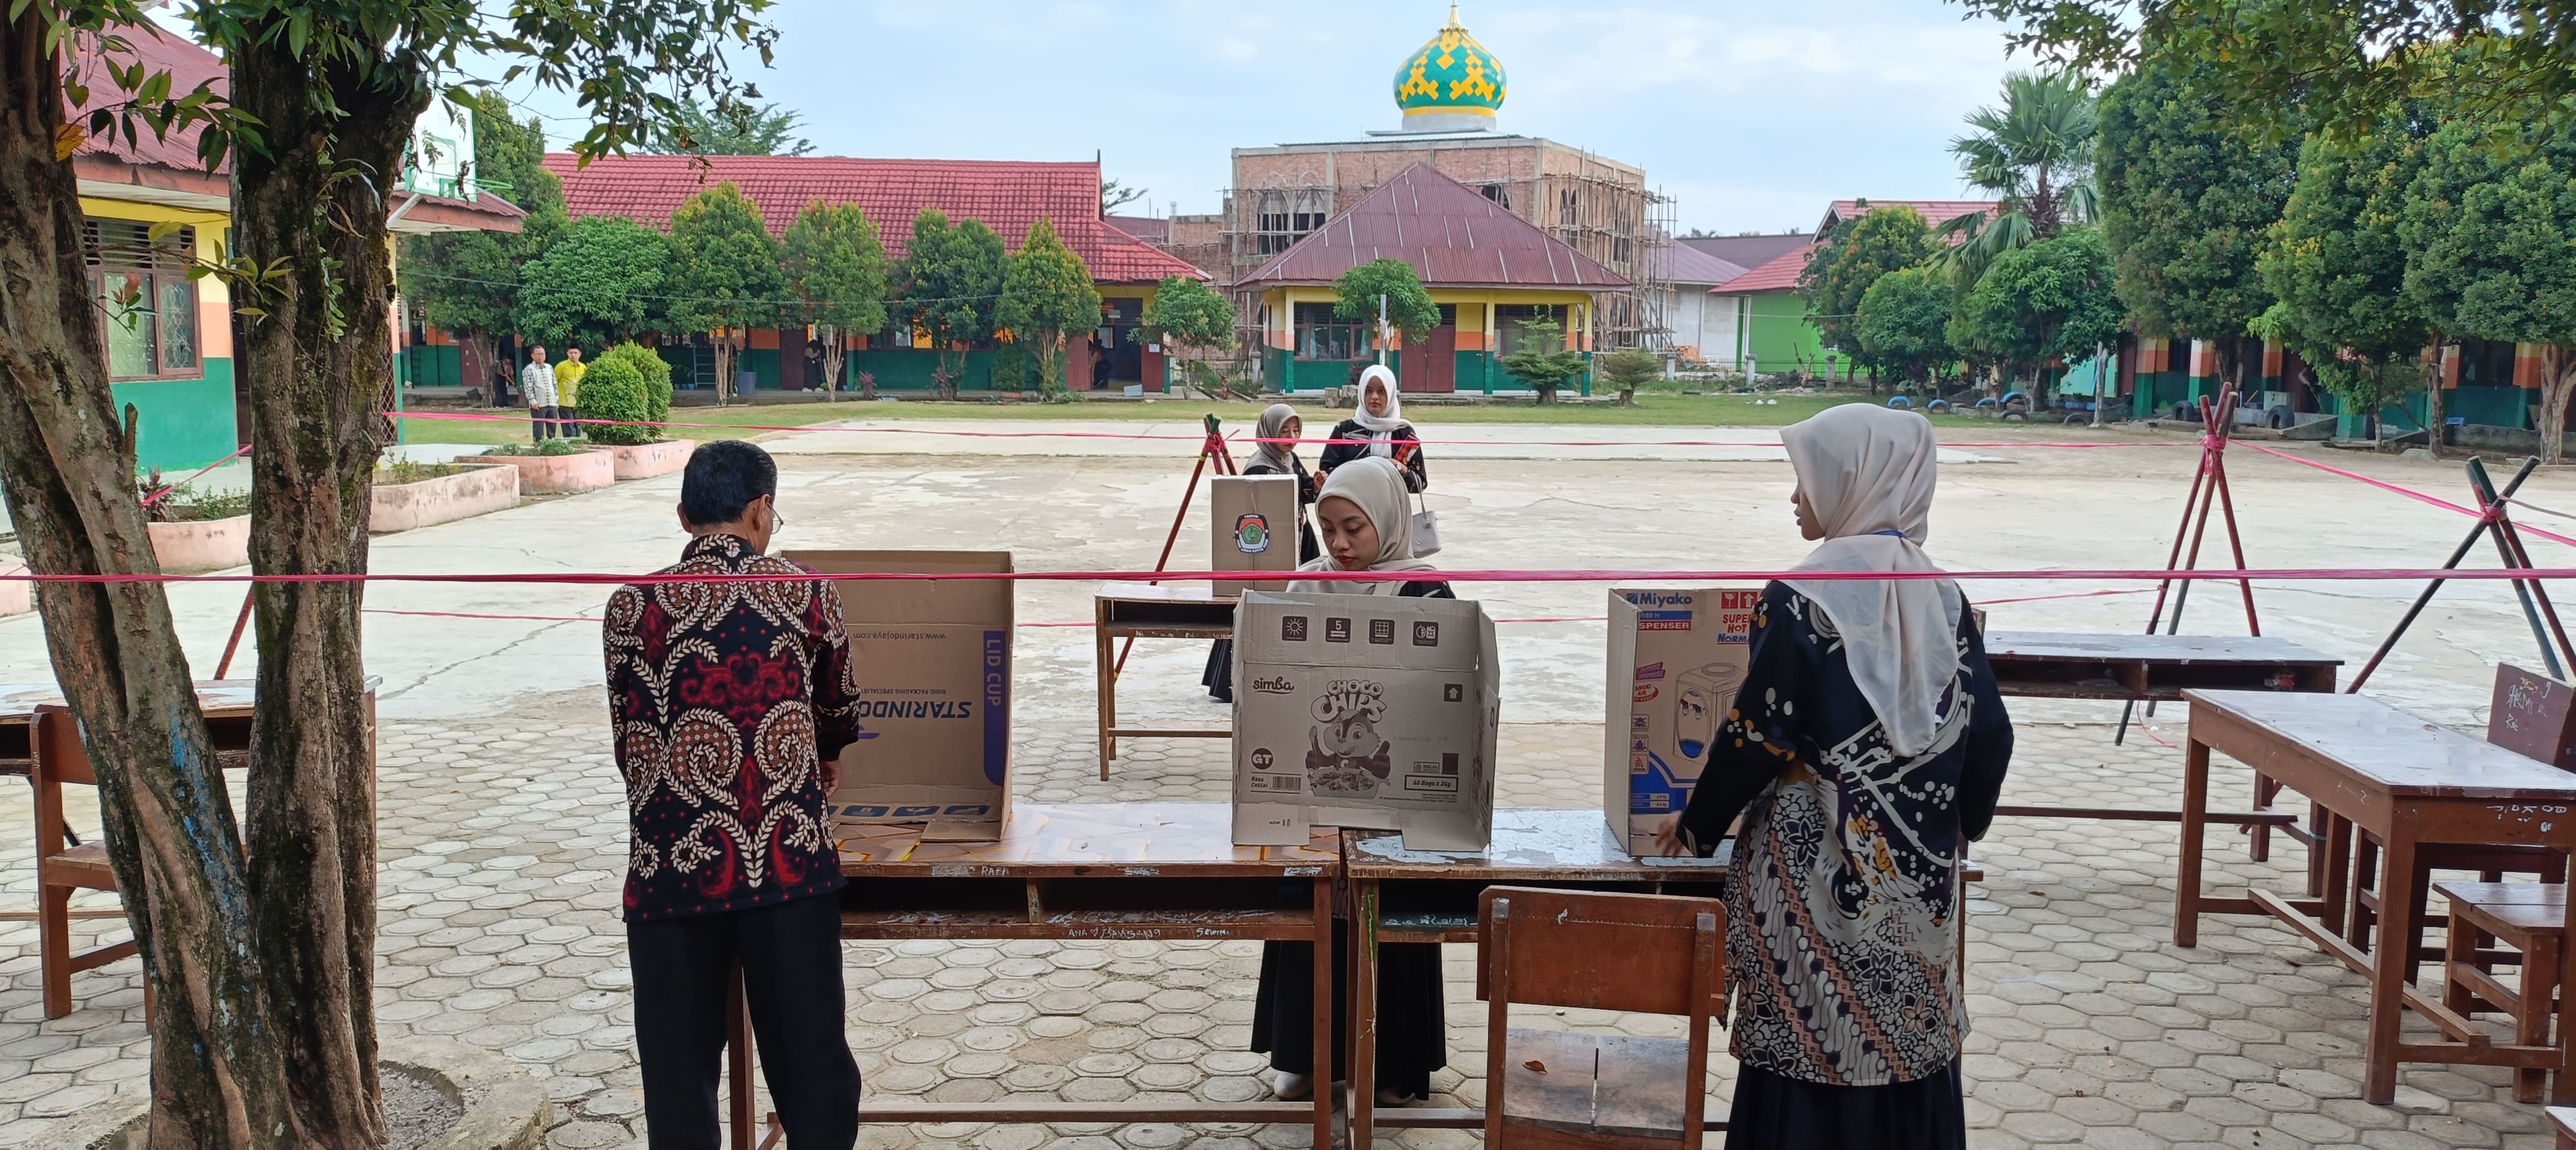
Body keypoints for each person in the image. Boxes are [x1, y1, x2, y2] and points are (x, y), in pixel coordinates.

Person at [1655, 404, 2013, 1150]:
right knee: (1910, 1043)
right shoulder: (1946, 599)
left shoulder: (1802, 599)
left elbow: (1756, 736)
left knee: (1809, 1044)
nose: (1795, 496)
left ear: (1856, 480)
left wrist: (1694, 828)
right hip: (1919, 894)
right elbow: (1990, 735)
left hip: (1812, 893)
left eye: (1807, 477)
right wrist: (1953, 829)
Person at [604, 440, 864, 1150]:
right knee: (812, 1072)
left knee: (679, 1083)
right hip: (784, 868)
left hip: (669, 874)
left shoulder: (630, 605)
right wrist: (825, 758)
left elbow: (630, 739)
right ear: (760, 511)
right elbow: (839, 705)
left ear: (685, 515)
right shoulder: (803, 590)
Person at [1248, 455, 1448, 1106]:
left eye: (1354, 529)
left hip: (1392, 803)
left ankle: (1393, 1066)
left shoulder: (1425, 591)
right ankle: (1303, 1058)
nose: (1338, 544)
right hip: (1311, 797)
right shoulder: (1303, 587)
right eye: (1328, 527)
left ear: (1387, 522)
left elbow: (1454, 694)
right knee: (1311, 913)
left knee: (1385, 920)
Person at [1203, 403, 1321, 702]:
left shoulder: (1288, 458)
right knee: (1259, 606)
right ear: (1269, 432)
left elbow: (1302, 491)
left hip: (1296, 540)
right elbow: (1262, 512)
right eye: (1284, 431)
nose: (1291, 437)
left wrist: (1316, 486)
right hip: (1270, 548)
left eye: (1296, 431)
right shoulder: (1260, 466)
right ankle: (1231, 681)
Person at [1316, 364, 1427, 493]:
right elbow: (1326, 472)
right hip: (1351, 506)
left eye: (1381, 391)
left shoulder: (1404, 434)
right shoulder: (1345, 431)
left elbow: (1420, 483)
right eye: (1368, 391)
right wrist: (1360, 471)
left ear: (1391, 394)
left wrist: (1397, 467)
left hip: (1392, 509)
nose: (1374, 397)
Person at [521, 345, 559, 442]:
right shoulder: (529, 369)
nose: (541, 356)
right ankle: (538, 445)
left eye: (542, 354)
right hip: (538, 404)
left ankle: (551, 445)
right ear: (533, 356)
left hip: (552, 402)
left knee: (552, 427)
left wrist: (556, 399)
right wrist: (533, 401)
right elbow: (528, 387)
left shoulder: (549, 368)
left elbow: (554, 384)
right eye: (538, 354)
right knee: (538, 428)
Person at [554, 345, 588, 437]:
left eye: (575, 353)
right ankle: (571, 446)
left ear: (580, 354)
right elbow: (554, 382)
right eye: (571, 353)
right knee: (569, 428)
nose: (573, 355)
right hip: (565, 402)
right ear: (568, 354)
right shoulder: (561, 366)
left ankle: (578, 445)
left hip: (578, 403)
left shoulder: (583, 367)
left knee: (578, 426)